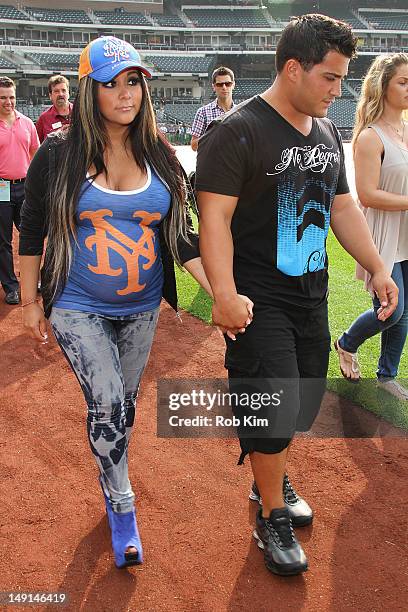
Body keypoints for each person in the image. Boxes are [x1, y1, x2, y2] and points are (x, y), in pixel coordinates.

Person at [19, 36, 252, 570]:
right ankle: (122, 502)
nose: (126, 93)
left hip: (142, 308)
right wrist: (32, 301)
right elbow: (32, 230)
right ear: (87, 90)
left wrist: (221, 294)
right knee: (104, 401)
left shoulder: (161, 154)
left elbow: (183, 237)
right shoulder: (58, 153)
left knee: (123, 406)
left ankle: (111, 471)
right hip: (77, 304)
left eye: (133, 81)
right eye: (111, 83)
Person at [196, 14, 398, 577]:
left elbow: (341, 208)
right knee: (274, 402)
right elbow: (214, 218)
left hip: (312, 293)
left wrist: (378, 267)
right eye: (330, 78)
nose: (340, 91)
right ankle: (272, 514)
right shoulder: (237, 132)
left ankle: (271, 468)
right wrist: (225, 293)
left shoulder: (327, 133)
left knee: (302, 404)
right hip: (259, 300)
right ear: (293, 68)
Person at [335, 53, 408, 400]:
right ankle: (347, 343)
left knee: (406, 313)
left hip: (407, 232)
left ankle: (386, 375)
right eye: (403, 82)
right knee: (393, 312)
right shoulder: (370, 137)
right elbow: (367, 193)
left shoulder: (406, 129)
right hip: (384, 233)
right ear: (384, 86)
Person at [0, 76, 39, 305]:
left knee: (30, 234)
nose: (8, 102)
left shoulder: (27, 123)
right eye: (3, 98)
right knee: (3, 239)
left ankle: (31, 281)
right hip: (1, 186)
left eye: (11, 97)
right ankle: (11, 286)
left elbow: (35, 154)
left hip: (25, 186)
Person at [190, 66, 235, 151]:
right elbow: (194, 146)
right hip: (211, 162)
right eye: (219, 84)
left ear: (233, 85)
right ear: (214, 87)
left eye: (228, 84)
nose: (224, 87)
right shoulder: (203, 112)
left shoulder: (240, 112)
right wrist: (213, 135)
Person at [35, 75, 72, 143]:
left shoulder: (80, 113)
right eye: (56, 91)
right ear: (50, 96)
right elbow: (38, 147)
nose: (61, 94)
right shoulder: (43, 119)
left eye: (63, 90)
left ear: (68, 93)